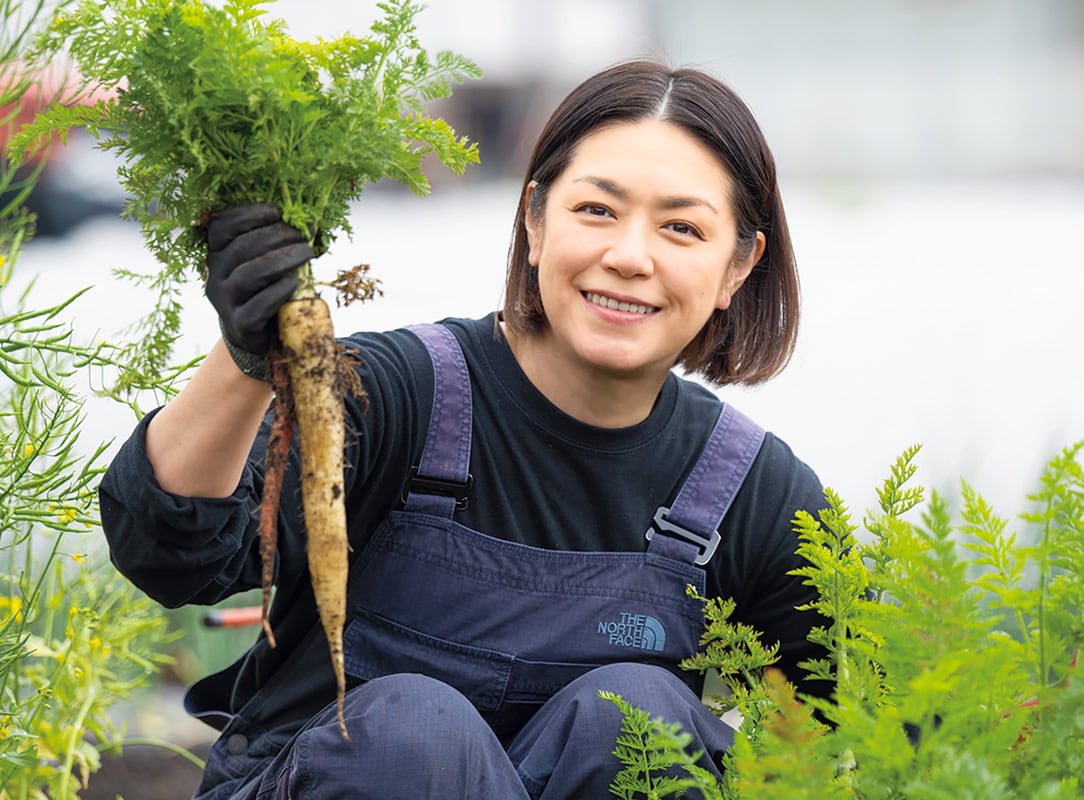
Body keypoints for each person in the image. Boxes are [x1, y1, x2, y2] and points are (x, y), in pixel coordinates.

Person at [98, 59, 830, 800]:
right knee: (415, 734)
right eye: (597, 211)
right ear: (535, 219)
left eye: (681, 227)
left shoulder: (748, 493)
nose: (630, 257)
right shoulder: (395, 395)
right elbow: (172, 552)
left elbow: (870, 727)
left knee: (633, 723)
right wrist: (248, 355)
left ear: (738, 265)